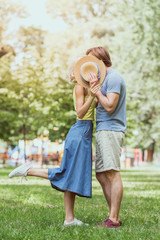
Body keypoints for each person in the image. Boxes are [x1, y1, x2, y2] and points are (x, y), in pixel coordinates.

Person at [8, 55, 105, 226]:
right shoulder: (78, 88)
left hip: (83, 131)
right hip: (81, 130)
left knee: (71, 175)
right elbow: (81, 113)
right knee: (67, 173)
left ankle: (69, 219)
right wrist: (92, 95)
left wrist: (95, 93)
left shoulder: (85, 88)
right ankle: (29, 170)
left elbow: (91, 108)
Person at [87, 47, 126, 228]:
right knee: (102, 175)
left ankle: (114, 219)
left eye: (91, 61)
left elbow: (110, 106)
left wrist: (97, 92)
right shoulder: (103, 79)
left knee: (111, 172)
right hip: (103, 129)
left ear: (101, 61)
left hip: (111, 130)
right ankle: (113, 216)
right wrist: (94, 90)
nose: (89, 66)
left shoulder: (114, 77)